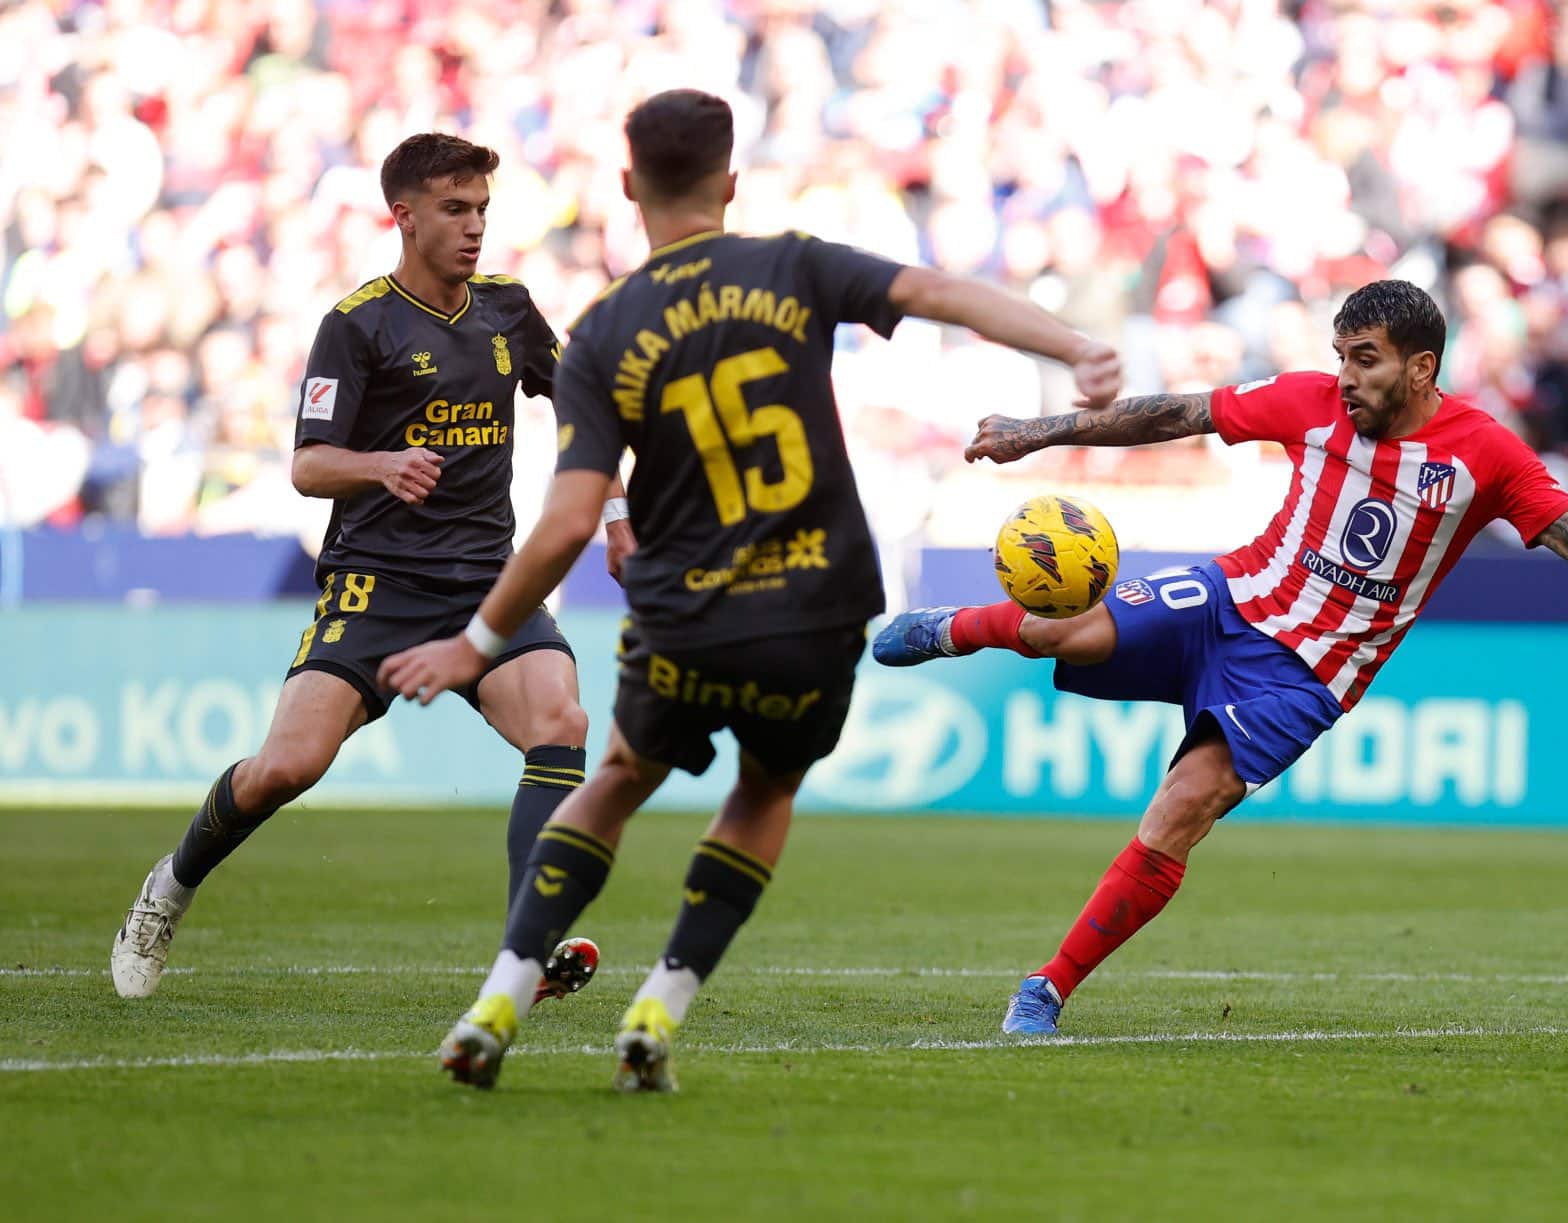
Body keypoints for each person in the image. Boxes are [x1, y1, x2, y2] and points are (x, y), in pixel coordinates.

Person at [376, 89, 1121, 1091]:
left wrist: (474, 641)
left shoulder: (603, 333)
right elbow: (938, 292)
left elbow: (564, 522)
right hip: (814, 609)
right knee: (762, 790)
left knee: (615, 783)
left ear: (630, 186)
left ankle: (503, 991)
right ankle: (660, 1004)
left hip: (685, 613)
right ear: (730, 183)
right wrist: (1072, 347)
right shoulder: (792, 265)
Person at [871, 279, 1568, 1036]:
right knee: (1067, 626)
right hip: (1231, 594)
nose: (1347, 376)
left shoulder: (1488, 456)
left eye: (1365, 358)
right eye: (1341, 356)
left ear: (1421, 368)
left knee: (1183, 806)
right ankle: (950, 629)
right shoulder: (1307, 401)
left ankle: (1046, 986)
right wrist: (1037, 431)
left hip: (1306, 674)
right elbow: (1175, 413)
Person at [109, 133, 630, 1003]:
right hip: (374, 585)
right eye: (455, 211)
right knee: (287, 767)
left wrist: (615, 513)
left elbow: (587, 412)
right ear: (405, 216)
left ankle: (525, 951)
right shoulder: (357, 325)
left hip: (484, 587)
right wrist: (381, 464)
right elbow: (309, 466)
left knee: (562, 719)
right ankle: (171, 884)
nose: (473, 229)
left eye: (482, 211)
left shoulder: (509, 308)